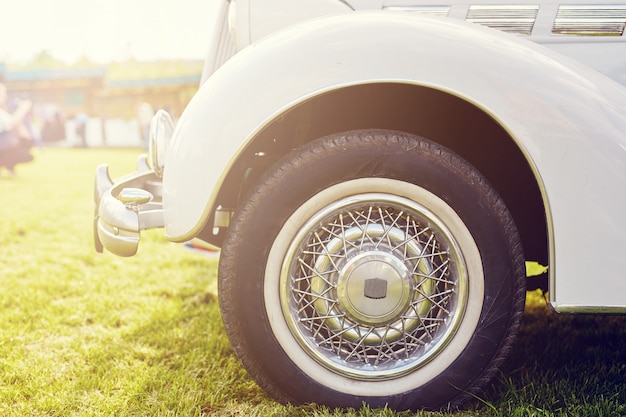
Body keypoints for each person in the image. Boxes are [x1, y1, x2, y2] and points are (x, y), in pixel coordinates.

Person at [0, 83, 34, 176]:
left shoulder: (4, 110)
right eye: (3, 94)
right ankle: (6, 164)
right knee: (12, 147)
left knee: (24, 145)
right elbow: (11, 123)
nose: (5, 97)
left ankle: (9, 165)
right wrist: (23, 109)